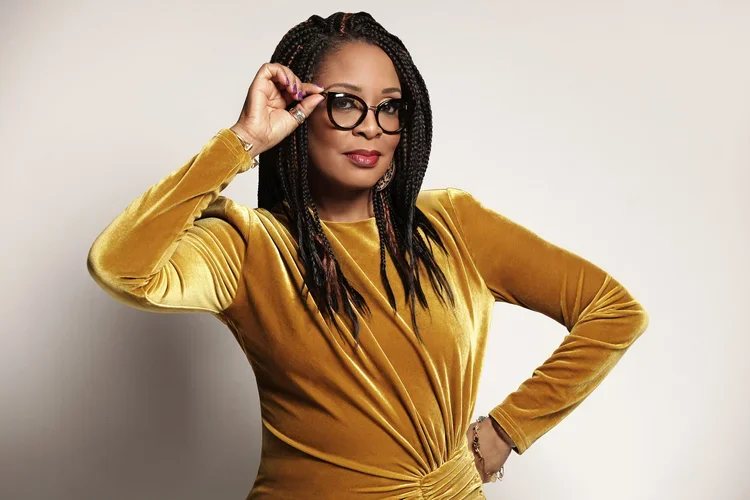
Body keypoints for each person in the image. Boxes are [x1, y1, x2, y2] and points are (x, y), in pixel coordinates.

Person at [87, 11, 649, 500]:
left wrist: (507, 431)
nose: (371, 128)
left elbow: (614, 310)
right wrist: (244, 141)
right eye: (344, 104)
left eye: (388, 108)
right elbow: (121, 267)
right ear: (299, 109)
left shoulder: (452, 224)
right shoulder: (248, 245)